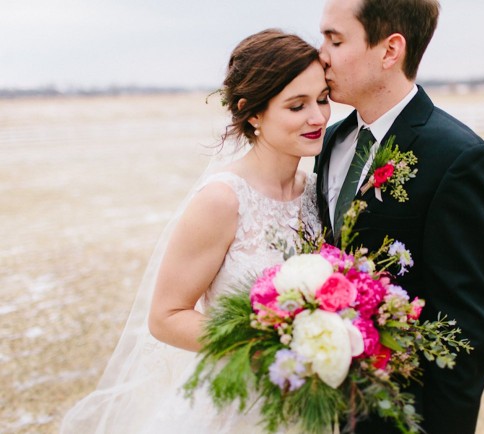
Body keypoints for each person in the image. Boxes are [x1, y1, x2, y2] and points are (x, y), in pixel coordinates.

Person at [60, 29, 330, 433]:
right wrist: (268, 345)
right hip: (236, 401)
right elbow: (166, 316)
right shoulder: (222, 199)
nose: (318, 117)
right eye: (297, 106)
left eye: (323, 99)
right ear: (252, 112)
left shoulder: (315, 193)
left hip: (310, 403)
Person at [316, 0, 484, 432]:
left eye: (335, 39)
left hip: (398, 415)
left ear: (389, 50)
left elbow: (467, 328)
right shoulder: (329, 142)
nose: (320, 53)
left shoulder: (458, 158)